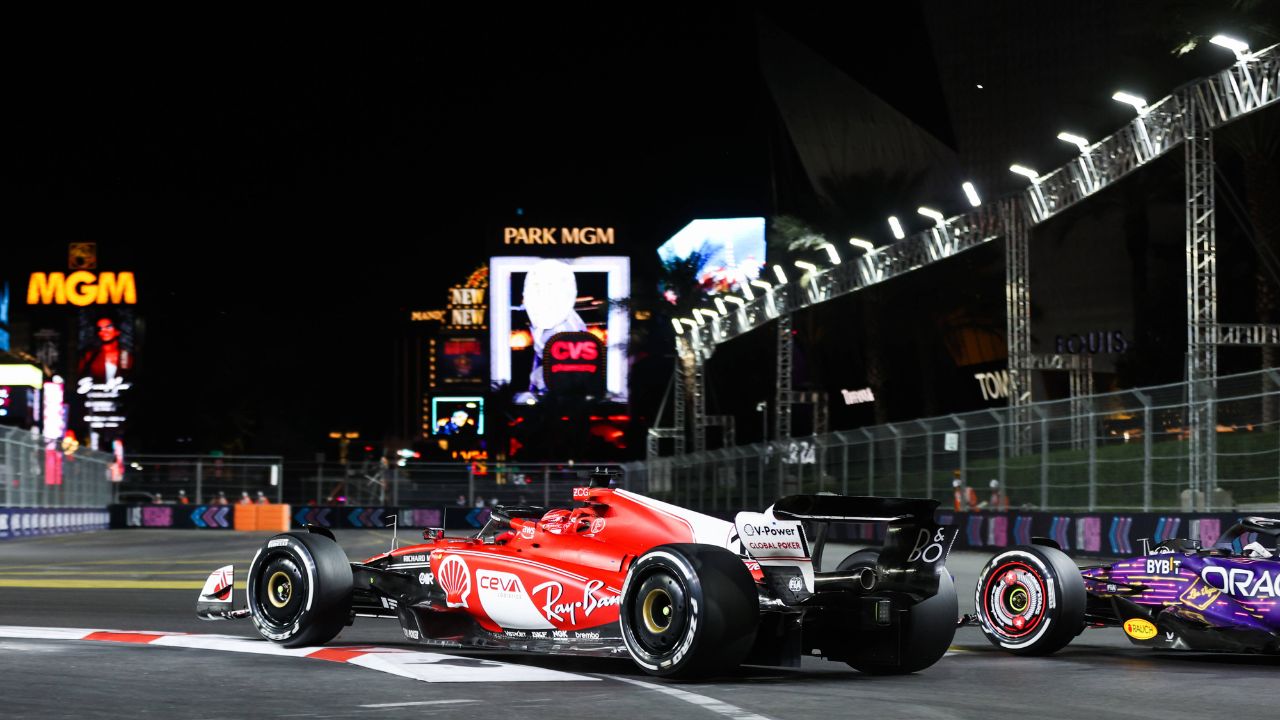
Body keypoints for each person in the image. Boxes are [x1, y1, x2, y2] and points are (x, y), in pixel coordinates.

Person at [517, 259, 587, 399]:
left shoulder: (569, 332)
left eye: (549, 286)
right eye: (534, 287)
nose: (539, 295)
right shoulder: (542, 327)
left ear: (569, 293)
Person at [78, 316, 132, 384]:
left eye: (108, 327)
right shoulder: (89, 355)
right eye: (100, 328)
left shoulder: (126, 355)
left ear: (117, 331)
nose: (104, 331)